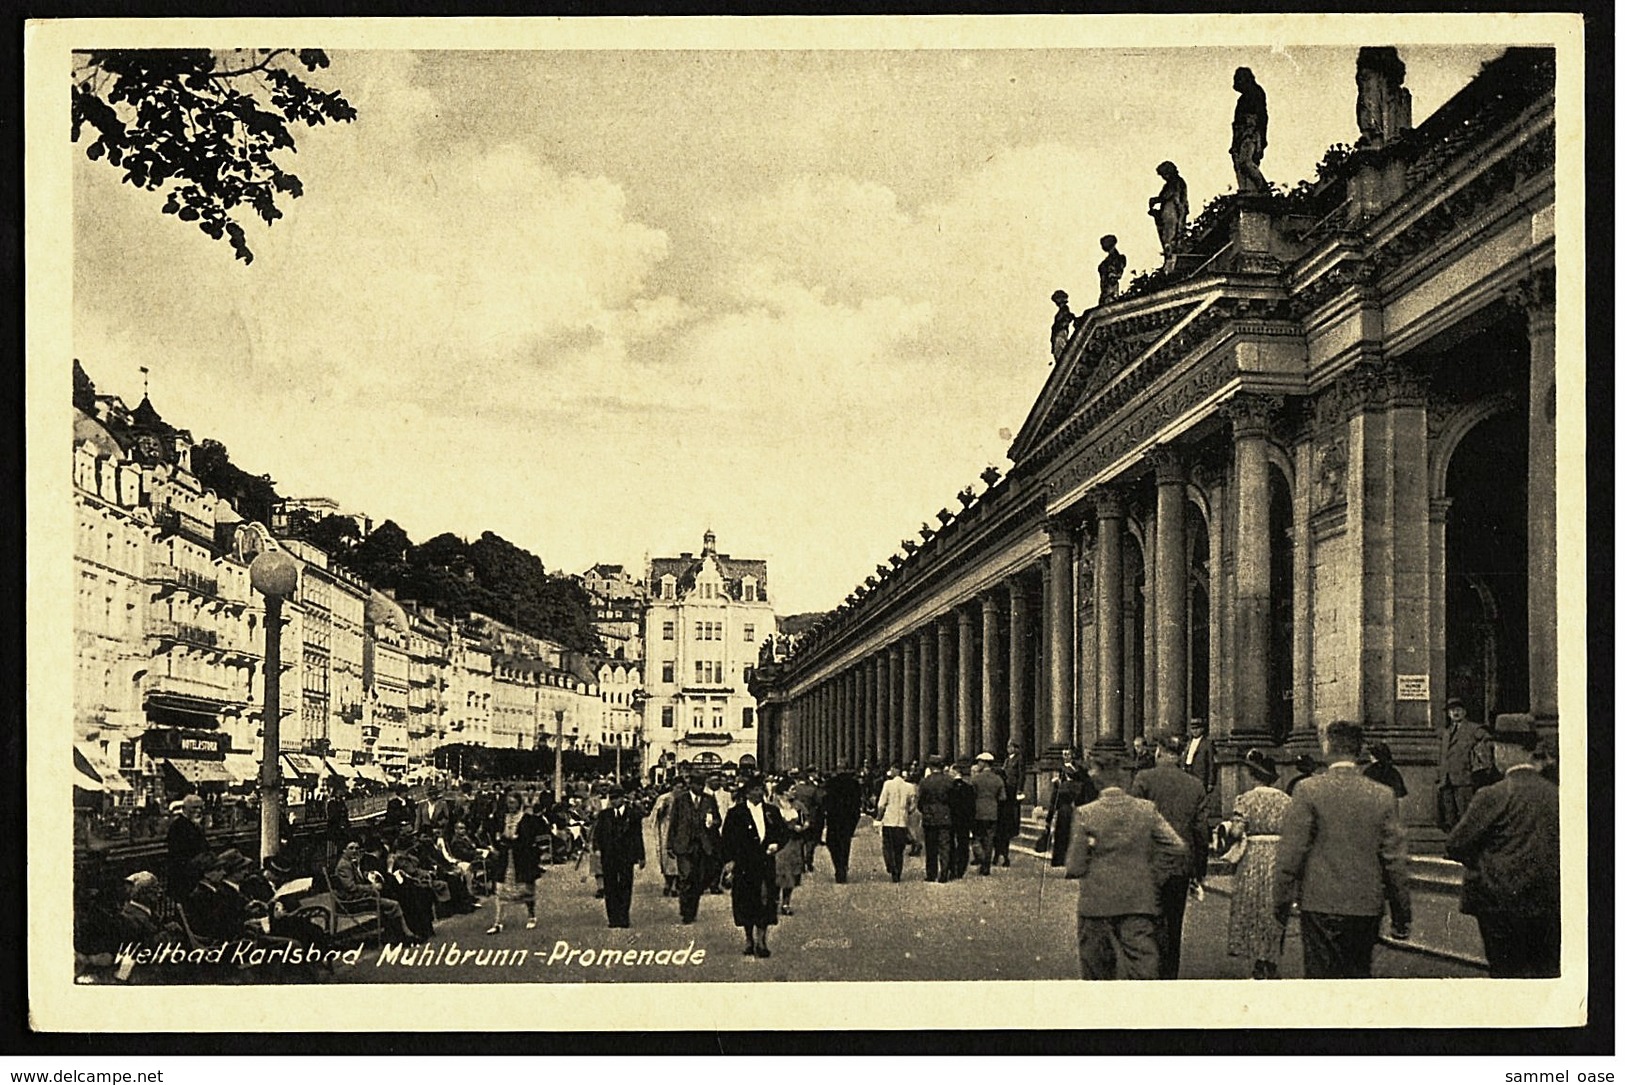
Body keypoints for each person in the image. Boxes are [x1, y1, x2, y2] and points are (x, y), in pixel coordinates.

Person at [1273, 721, 1412, 978]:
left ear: (1327, 748)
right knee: (1357, 977)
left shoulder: (1308, 790)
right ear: (1359, 752)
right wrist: (1401, 915)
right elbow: (1394, 861)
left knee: (1321, 980)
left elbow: (1291, 853)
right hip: (1365, 905)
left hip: (1319, 903)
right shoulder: (1382, 795)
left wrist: (1280, 902)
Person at [1445, 714, 1560, 977]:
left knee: (1506, 976)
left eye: (1495, 748)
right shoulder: (1556, 794)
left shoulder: (1493, 794)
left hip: (1499, 906)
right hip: (1547, 904)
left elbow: (1455, 845)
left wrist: (1485, 860)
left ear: (1505, 750)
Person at [1064, 751, 1188, 980]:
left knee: (1098, 974)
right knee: (1143, 970)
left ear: (1098, 777)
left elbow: (1074, 866)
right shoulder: (1146, 810)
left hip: (1097, 904)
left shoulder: (1086, 814)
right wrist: (1152, 871)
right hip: (1139, 901)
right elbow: (1177, 846)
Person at [1129, 732, 1209, 979]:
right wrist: (1199, 871)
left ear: (1158, 752)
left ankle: (1146, 976)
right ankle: (1168, 978)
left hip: (1149, 866)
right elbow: (1201, 832)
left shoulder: (1144, 779)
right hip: (1180, 867)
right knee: (1174, 926)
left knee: (1147, 925)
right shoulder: (1195, 785)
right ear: (1180, 755)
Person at [1223, 748, 1293, 978]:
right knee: (1275, 909)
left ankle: (1258, 962)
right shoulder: (1286, 800)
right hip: (1279, 855)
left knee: (1255, 908)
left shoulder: (1246, 799)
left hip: (1254, 855)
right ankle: (1271, 959)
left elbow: (1237, 830)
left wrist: (1227, 830)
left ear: (1253, 776)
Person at [720, 776, 790, 958]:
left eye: (760, 789)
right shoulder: (736, 813)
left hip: (765, 863)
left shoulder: (771, 811)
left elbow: (783, 833)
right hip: (744, 865)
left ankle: (762, 940)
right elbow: (726, 839)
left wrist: (777, 845)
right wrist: (729, 861)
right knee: (746, 902)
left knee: (765, 901)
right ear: (747, 792)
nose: (758, 793)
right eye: (754, 790)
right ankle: (748, 938)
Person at [332, 837, 418, 942]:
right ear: (344, 850)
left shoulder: (350, 862)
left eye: (356, 848)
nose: (354, 851)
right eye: (351, 848)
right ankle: (405, 934)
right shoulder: (344, 866)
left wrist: (366, 875)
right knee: (393, 904)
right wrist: (372, 887)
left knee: (390, 896)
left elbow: (355, 881)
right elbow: (351, 887)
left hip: (358, 896)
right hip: (352, 901)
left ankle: (396, 934)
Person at [485, 790, 544, 934]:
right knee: (500, 889)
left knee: (526, 889)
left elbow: (531, 838)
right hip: (506, 857)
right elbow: (493, 833)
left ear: (519, 803)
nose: (510, 806)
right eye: (508, 803)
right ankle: (498, 921)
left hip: (522, 858)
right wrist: (498, 842)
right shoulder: (502, 818)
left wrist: (519, 840)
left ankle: (531, 916)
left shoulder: (527, 819)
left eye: (513, 803)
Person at [667, 771, 722, 924]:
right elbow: (674, 823)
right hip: (684, 845)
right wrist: (670, 845)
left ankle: (693, 907)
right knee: (686, 877)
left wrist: (713, 823)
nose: (699, 787)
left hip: (703, 845)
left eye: (702, 784)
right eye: (697, 784)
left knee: (699, 879)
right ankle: (686, 911)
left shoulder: (709, 800)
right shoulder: (680, 800)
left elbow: (718, 820)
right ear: (690, 784)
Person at [1437, 697, 1494, 830]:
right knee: (1449, 818)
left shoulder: (1473, 729)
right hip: (1446, 780)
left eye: (1458, 710)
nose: (1455, 713)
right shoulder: (1447, 732)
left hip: (1464, 779)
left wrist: (1478, 754)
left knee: (1465, 815)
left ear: (1464, 712)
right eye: (1451, 711)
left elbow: (1488, 740)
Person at [593, 786, 646, 929]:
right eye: (612, 798)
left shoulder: (633, 815)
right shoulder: (604, 815)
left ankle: (623, 917)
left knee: (625, 885)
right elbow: (598, 835)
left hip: (626, 856)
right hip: (609, 855)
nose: (614, 801)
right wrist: (597, 849)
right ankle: (613, 918)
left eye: (616, 797)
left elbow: (637, 837)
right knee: (610, 887)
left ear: (623, 798)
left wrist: (641, 856)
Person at [1043, 748, 1099, 869]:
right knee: (1064, 835)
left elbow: (1086, 783)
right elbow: (1055, 796)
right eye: (1064, 754)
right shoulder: (1060, 770)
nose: (1066, 756)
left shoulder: (1079, 769)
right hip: (1065, 809)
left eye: (1068, 754)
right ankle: (1061, 859)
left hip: (1076, 806)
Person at [821, 761, 864, 884]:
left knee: (832, 843)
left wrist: (825, 815)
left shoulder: (831, 783)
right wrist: (854, 821)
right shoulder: (854, 783)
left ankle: (838, 867)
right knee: (845, 844)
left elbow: (825, 801)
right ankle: (843, 865)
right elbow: (857, 803)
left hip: (834, 819)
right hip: (848, 819)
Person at [916, 755, 955, 884]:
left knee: (931, 847)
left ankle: (931, 874)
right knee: (945, 846)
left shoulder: (925, 782)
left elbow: (920, 802)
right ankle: (944, 873)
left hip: (929, 817)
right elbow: (953, 800)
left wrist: (926, 811)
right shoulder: (949, 781)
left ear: (930, 767)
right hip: (945, 816)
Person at [874, 765, 917, 883]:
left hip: (889, 820)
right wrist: (906, 812)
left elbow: (881, 804)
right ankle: (898, 871)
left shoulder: (887, 784)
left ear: (895, 770)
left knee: (888, 846)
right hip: (902, 822)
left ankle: (890, 866)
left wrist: (878, 818)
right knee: (899, 849)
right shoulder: (909, 787)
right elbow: (913, 806)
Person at [1230, 67, 1269, 193]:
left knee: (1245, 162)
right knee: (1240, 164)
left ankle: (1263, 187)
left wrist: (1262, 137)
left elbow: (1262, 116)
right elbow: (1236, 123)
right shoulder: (1242, 99)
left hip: (1250, 132)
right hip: (1240, 134)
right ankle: (1247, 189)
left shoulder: (1256, 92)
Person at [165, 793, 209, 898]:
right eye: (194, 808)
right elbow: (179, 854)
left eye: (200, 808)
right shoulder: (178, 827)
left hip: (193, 875)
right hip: (184, 877)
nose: (198, 811)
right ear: (184, 809)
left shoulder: (194, 826)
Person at [1147, 161, 1188, 272]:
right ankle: (1168, 258)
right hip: (1169, 213)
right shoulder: (1171, 183)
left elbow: (1169, 197)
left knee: (1170, 236)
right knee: (1167, 237)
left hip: (1173, 213)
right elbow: (1163, 197)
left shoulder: (1176, 182)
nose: (1164, 178)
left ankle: (1171, 258)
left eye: (1164, 175)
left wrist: (1155, 200)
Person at [773, 777, 806, 913]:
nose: (794, 792)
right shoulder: (773, 805)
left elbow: (806, 818)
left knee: (791, 874)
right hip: (779, 844)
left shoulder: (797, 805)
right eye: (792, 789)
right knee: (778, 873)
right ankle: (774, 902)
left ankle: (786, 903)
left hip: (793, 843)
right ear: (784, 791)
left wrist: (803, 827)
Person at [969, 754, 1005, 876]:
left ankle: (982, 858)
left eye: (979, 762)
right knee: (989, 840)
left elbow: (971, 796)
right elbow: (1002, 797)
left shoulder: (976, 779)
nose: (978, 764)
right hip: (992, 813)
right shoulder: (998, 779)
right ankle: (986, 867)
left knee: (977, 838)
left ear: (984, 763)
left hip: (978, 813)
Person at [995, 739, 1024, 867]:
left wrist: (1019, 789)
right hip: (1006, 789)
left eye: (1010, 746)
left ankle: (1000, 855)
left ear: (1015, 748)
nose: (1008, 749)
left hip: (1012, 789)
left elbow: (1021, 775)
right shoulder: (1007, 760)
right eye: (1007, 746)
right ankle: (1000, 855)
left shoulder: (1019, 759)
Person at [649, 780, 679, 897]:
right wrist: (662, 809)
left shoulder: (684, 798)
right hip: (666, 828)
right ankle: (668, 882)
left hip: (680, 829)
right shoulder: (664, 798)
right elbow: (655, 814)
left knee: (678, 857)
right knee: (666, 857)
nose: (679, 790)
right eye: (677, 787)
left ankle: (676, 885)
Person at [947, 761, 977, 880]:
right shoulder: (968, 788)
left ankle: (952, 868)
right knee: (963, 844)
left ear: (955, 772)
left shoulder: (949, 787)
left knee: (951, 844)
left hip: (951, 819)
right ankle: (961, 869)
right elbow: (972, 806)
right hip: (964, 821)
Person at [1182, 719, 1217, 795]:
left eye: (1197, 729)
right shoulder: (1189, 743)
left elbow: (1211, 763)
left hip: (1200, 776)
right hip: (1188, 773)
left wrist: (1211, 782)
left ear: (1202, 729)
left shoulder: (1207, 743)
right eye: (1193, 729)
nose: (1195, 731)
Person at [1097, 235, 1127, 304]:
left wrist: (1112, 275)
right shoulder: (1105, 263)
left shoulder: (1119, 259)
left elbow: (1118, 274)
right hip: (1106, 289)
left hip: (1111, 289)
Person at [1050, 290, 1076, 362]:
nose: (1056, 303)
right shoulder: (1062, 311)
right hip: (1058, 333)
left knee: (1060, 349)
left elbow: (1069, 317)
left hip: (1060, 333)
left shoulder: (1064, 309)